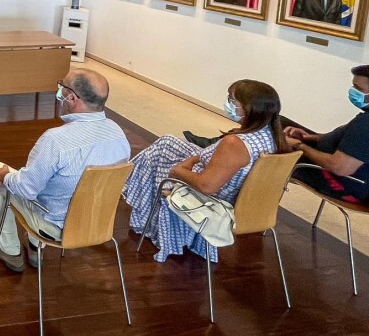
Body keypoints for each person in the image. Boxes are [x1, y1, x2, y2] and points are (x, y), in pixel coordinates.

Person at [123, 80, 286, 263]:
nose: (229, 105)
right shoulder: (271, 135)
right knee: (166, 142)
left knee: (159, 154)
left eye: (233, 101)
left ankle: (130, 194)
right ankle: (130, 188)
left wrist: (179, 170)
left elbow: (206, 186)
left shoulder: (236, 143)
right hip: (242, 198)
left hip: (212, 201)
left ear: (249, 108)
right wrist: (194, 159)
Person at [0, 69, 130, 271]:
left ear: (71, 98)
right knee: (52, 183)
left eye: (62, 86)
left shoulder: (55, 140)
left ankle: (10, 250)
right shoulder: (118, 134)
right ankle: (35, 248)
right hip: (97, 224)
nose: (59, 91)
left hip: (54, 226)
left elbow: (27, 189)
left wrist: (6, 176)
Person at [286, 64, 369, 203]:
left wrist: (300, 146)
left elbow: (339, 167)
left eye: (358, 89)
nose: (353, 91)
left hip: (342, 183)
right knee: (281, 125)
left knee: (272, 150)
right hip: (356, 183)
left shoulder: (365, 124)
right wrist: (309, 137)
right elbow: (349, 142)